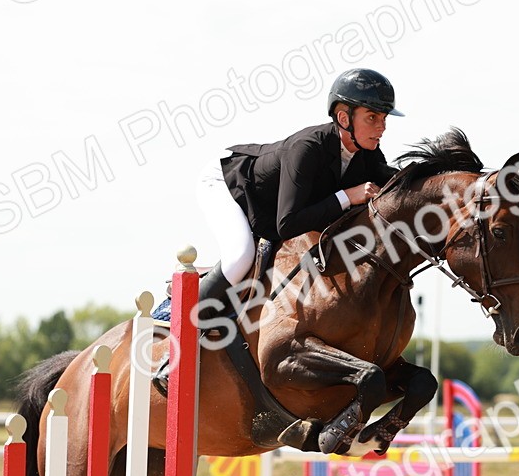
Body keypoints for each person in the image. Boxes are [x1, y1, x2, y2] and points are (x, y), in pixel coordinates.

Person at [154, 68, 404, 394]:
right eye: (372, 117)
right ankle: (176, 351)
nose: (382, 126)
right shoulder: (308, 148)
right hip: (229, 185)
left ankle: (209, 282)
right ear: (343, 118)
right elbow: (288, 224)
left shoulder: (368, 156)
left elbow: (400, 183)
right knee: (240, 256)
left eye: (384, 117)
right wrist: (347, 196)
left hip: (273, 208)